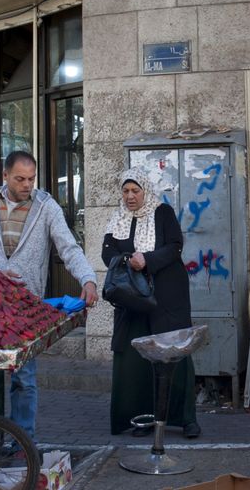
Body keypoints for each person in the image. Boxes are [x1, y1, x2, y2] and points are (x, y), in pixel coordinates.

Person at [0, 150, 98, 440]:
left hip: (27, 307)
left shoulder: (46, 207)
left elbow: (69, 248)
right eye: (20, 179)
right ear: (5, 176)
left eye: (31, 179)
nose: (27, 185)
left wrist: (88, 279)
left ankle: (21, 441)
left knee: (24, 378)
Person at [102, 167, 201, 439]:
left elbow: (174, 246)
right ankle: (141, 419)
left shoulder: (162, 213)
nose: (130, 196)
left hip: (167, 297)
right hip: (132, 299)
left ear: (145, 190)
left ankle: (185, 419)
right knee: (134, 358)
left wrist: (147, 259)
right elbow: (107, 251)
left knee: (175, 353)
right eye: (125, 191)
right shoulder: (118, 218)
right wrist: (126, 261)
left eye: (135, 190)